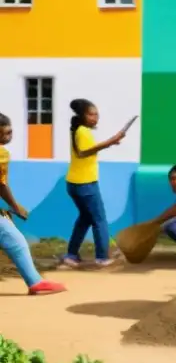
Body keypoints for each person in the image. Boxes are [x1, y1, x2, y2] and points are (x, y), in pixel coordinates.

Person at [0, 114, 66, 295]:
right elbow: (1, 185)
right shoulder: (1, 153)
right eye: (7, 131)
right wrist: (15, 206)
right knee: (16, 242)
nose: (10, 135)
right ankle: (35, 282)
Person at [62, 99, 124, 268]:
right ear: (82, 116)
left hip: (75, 183)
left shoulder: (79, 130)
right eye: (91, 114)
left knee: (85, 219)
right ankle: (102, 257)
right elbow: (83, 153)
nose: (95, 118)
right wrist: (110, 142)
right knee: (99, 219)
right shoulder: (83, 132)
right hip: (85, 184)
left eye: (96, 114)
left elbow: (87, 150)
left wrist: (109, 143)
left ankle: (71, 255)